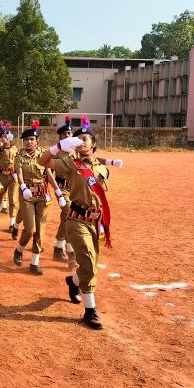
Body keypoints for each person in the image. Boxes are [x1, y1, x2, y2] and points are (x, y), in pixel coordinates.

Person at [39, 117, 114, 330]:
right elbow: (42, 162)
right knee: (89, 263)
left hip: (96, 222)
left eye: (85, 139)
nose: (80, 141)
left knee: (91, 265)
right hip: (77, 220)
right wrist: (59, 146)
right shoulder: (71, 164)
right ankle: (90, 311)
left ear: (94, 145)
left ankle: (73, 282)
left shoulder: (101, 169)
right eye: (77, 139)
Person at [12, 121, 63, 275]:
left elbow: (49, 175)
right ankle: (19, 250)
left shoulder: (43, 154)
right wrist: (22, 187)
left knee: (40, 231)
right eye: (26, 139)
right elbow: (19, 174)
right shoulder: (19, 156)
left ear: (37, 140)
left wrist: (58, 192)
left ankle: (34, 263)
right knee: (29, 228)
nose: (29, 142)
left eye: (32, 139)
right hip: (27, 194)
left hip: (42, 195)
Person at [52, 116, 73, 264]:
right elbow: (48, 174)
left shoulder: (77, 150)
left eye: (70, 133)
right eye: (65, 134)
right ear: (60, 136)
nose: (67, 136)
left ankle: (60, 247)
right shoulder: (55, 152)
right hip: (62, 188)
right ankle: (69, 249)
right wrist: (57, 192)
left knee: (71, 217)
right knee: (68, 212)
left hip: (75, 188)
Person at [0, 123, 19, 237]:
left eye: (6, 136)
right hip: (1, 176)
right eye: (2, 136)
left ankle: (12, 223)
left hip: (13, 177)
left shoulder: (16, 149)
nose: (4, 139)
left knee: (12, 200)